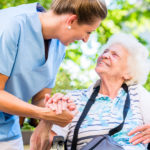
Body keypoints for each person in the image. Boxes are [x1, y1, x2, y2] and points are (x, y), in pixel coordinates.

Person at [0, 0, 107, 149]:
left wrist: (57, 107)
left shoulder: (59, 45)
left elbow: (40, 98)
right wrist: (43, 114)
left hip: (8, 132)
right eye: (88, 31)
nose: (85, 39)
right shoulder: (12, 25)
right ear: (72, 20)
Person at [48, 33, 150, 150]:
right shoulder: (74, 98)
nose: (105, 55)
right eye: (105, 51)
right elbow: (55, 140)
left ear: (128, 73)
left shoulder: (137, 94)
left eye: (115, 55)